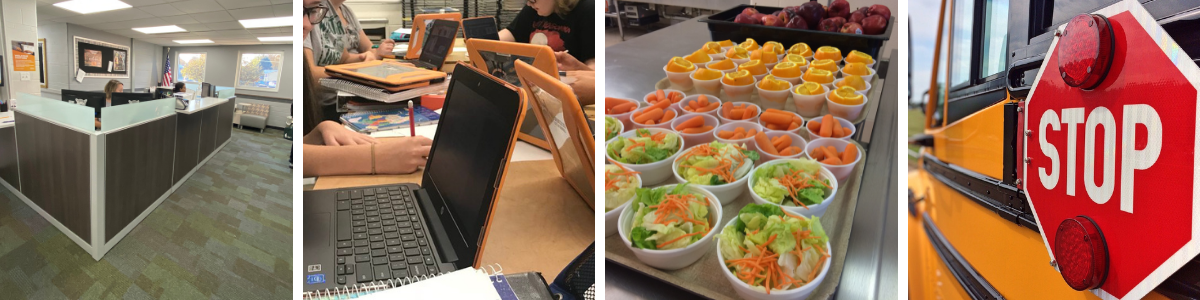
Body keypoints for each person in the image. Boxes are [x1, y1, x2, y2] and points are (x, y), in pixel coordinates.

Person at [303, 0, 432, 177]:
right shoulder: (316, 18)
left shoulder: (341, 12)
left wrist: (322, 129)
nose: (307, 25)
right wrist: (378, 157)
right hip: (331, 101)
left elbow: (347, 55)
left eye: (308, 12)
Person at [304, 0, 395, 123]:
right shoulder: (312, 11)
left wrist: (368, 56)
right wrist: (359, 70)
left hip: (349, 93)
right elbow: (309, 75)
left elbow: (345, 58)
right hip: (329, 102)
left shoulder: (345, 11)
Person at [500, 0, 596, 71]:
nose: (529, 3)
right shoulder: (533, 8)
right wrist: (486, 40)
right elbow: (513, 33)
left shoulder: (588, 9)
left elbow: (593, 68)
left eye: (533, 0)